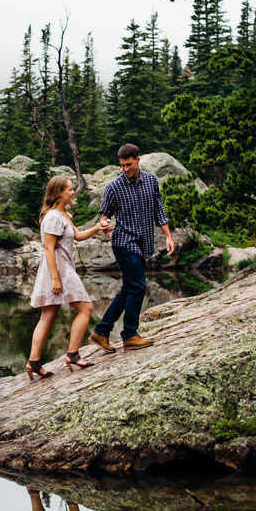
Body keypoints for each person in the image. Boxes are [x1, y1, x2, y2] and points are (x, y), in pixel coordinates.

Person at [89, 144, 175, 353]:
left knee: (128, 288)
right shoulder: (114, 187)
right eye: (122, 165)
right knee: (138, 285)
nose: (125, 169)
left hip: (143, 242)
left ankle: (101, 332)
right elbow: (104, 213)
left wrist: (168, 236)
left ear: (138, 160)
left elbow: (159, 211)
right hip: (124, 242)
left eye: (129, 164)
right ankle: (129, 335)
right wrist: (104, 224)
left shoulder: (151, 181)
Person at [26, 174, 112, 379]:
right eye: (70, 189)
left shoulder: (62, 214)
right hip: (59, 269)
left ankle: (34, 362)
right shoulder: (53, 217)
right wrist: (55, 279)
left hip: (61, 268)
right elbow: (48, 249)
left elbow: (79, 236)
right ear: (59, 193)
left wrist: (98, 228)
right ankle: (72, 354)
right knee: (86, 308)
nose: (73, 192)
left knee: (48, 315)